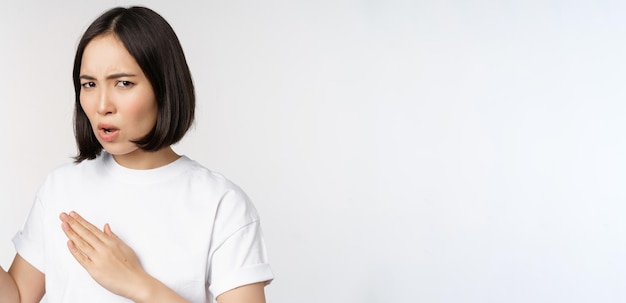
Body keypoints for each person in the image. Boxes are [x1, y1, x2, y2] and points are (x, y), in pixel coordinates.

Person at [0, 6, 273, 303]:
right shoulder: (60, 187)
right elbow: (15, 297)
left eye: (123, 83)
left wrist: (137, 284)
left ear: (164, 87)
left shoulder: (221, 204)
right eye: (89, 84)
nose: (102, 104)